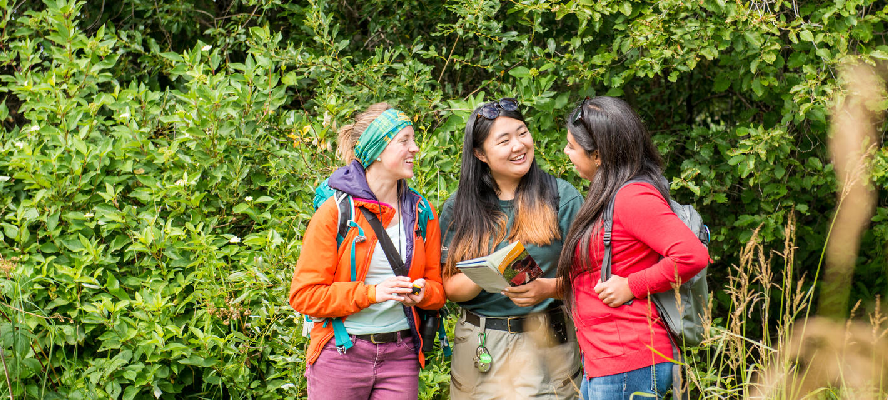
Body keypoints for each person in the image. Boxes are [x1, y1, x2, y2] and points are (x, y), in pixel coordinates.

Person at [556, 96, 709, 400]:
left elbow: (692, 255)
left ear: (598, 155)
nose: (566, 152)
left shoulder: (632, 196)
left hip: (629, 359)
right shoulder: (606, 194)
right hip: (607, 360)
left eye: (572, 146)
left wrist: (631, 285)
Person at [290, 103, 446, 400]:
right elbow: (304, 295)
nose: (415, 149)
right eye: (404, 140)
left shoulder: (422, 212)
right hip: (341, 352)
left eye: (414, 139)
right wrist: (373, 293)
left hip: (401, 356)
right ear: (376, 148)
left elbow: (438, 290)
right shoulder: (335, 213)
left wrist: (422, 295)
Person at [439, 98, 585, 399]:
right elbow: (448, 287)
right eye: (504, 140)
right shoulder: (460, 207)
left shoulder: (562, 198)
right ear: (480, 153)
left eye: (522, 133)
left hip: (548, 343)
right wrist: (485, 272)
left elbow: (592, 280)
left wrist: (548, 288)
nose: (518, 146)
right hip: (480, 347)